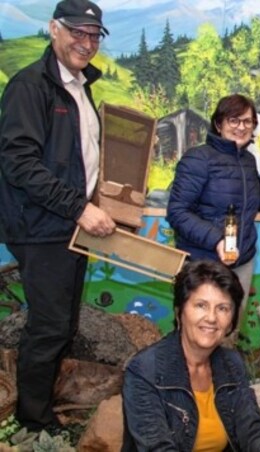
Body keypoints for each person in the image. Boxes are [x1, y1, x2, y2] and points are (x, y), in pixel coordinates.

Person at [0, 0, 116, 431]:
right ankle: (32, 423)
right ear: (53, 30)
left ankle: (42, 407)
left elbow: (80, 162)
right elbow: (20, 163)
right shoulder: (30, 86)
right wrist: (79, 208)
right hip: (42, 227)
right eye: (77, 33)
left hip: (70, 228)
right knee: (49, 328)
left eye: (93, 36)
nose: (85, 43)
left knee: (63, 325)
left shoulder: (80, 88)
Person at [122, 260, 260, 451]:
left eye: (223, 308)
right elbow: (157, 447)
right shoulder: (144, 370)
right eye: (201, 305)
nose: (211, 318)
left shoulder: (231, 363)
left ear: (232, 320)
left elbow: (252, 429)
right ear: (179, 312)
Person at [167, 94, 260, 337]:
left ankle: (223, 375)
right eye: (234, 120)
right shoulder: (198, 158)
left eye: (248, 122)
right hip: (204, 263)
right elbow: (177, 212)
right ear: (219, 124)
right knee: (199, 333)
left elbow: (254, 205)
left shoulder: (248, 161)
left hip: (241, 263)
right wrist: (217, 240)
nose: (241, 127)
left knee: (228, 332)